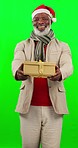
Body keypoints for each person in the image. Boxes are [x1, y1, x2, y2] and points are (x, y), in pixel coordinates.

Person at [12, 4, 73, 148]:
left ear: (51, 21)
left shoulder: (63, 46)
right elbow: (17, 61)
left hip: (54, 107)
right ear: (32, 21)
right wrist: (18, 72)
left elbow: (68, 65)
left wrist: (61, 74)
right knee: (28, 145)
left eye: (45, 18)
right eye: (36, 19)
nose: (40, 22)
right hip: (29, 106)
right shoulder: (22, 45)